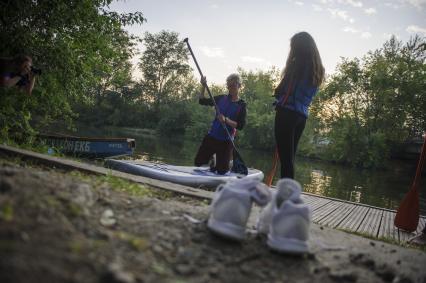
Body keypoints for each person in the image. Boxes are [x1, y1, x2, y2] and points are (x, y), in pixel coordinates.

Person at [273, 32, 325, 179]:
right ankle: (288, 195)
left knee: (286, 160)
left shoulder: (296, 66)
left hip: (286, 114)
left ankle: (286, 197)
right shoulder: (318, 69)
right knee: (290, 159)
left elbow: (280, 91)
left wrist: (279, 95)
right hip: (301, 117)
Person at [194, 74, 247, 175]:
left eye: (232, 86)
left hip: (226, 142)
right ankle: (213, 160)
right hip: (212, 137)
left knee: (222, 172)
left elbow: (240, 126)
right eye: (228, 86)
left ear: (239, 86)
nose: (230, 88)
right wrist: (203, 86)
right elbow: (202, 101)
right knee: (198, 163)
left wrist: (226, 120)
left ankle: (226, 164)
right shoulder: (221, 98)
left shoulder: (241, 105)